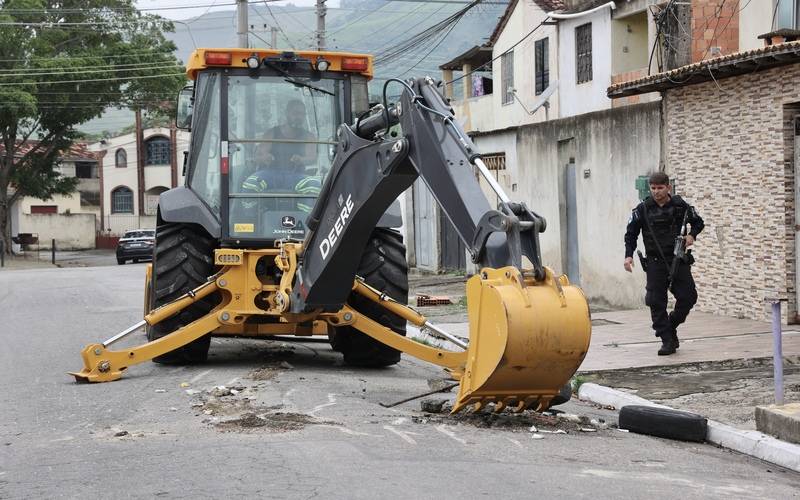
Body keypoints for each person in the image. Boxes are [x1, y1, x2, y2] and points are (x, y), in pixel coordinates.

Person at [624, 171, 704, 355]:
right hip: (655, 261)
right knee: (655, 301)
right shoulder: (642, 209)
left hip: (678, 258)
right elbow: (631, 234)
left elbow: (698, 222)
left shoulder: (680, 206)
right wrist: (628, 256)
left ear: (668, 187)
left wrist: (691, 235)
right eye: (653, 188)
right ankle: (667, 340)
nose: (656, 192)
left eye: (660, 188)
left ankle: (671, 324)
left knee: (688, 297)